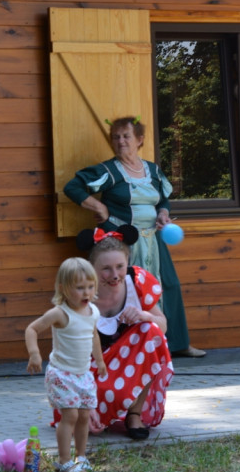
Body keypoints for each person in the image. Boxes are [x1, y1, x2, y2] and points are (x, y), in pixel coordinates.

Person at [63, 115, 205, 358]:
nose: (120, 141)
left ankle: (178, 344)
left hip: (154, 241)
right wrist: (97, 207)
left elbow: (163, 199)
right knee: (129, 292)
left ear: (140, 140)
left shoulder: (152, 170)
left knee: (168, 286)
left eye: (126, 136)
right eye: (116, 137)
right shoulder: (108, 171)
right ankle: (133, 350)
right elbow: (72, 187)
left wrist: (163, 213)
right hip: (122, 243)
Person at [59, 226, 174, 440]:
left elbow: (163, 327)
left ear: (128, 262)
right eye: (106, 269)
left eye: (120, 266)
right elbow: (70, 357)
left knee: (151, 330)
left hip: (130, 368)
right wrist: (85, 404)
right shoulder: (79, 296)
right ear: (91, 268)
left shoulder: (137, 282)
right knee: (87, 425)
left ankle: (134, 414)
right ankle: (92, 408)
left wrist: (143, 315)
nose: (115, 275)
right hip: (89, 372)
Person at [24, 257, 107, 472]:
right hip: (61, 373)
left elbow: (93, 335)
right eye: (79, 288)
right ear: (64, 288)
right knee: (69, 416)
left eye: (90, 287)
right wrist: (34, 354)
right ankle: (63, 460)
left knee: (83, 416)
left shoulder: (93, 311)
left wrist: (99, 361)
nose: (86, 293)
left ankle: (81, 457)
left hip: (83, 374)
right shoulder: (60, 313)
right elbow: (32, 329)